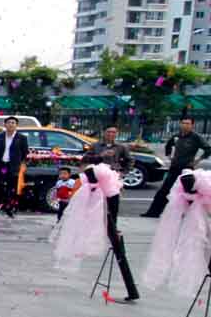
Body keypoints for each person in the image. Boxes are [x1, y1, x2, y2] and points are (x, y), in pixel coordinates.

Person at [81, 126, 140, 301]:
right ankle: (99, 224)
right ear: (104, 133)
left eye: (114, 133)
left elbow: (130, 160)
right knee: (97, 206)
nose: (111, 135)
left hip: (113, 179)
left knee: (113, 205)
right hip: (99, 178)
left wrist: (123, 172)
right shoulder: (96, 146)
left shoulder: (121, 147)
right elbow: (85, 159)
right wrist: (100, 156)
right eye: (108, 132)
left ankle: (112, 225)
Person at [143, 116, 211, 218]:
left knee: (189, 193)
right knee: (164, 191)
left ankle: (196, 215)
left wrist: (198, 160)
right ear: (180, 124)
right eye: (183, 123)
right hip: (174, 168)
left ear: (192, 125)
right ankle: (153, 213)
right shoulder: (176, 136)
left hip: (187, 169)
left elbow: (208, 149)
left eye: (187, 123)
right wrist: (169, 156)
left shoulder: (196, 137)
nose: (185, 125)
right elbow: (168, 146)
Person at [0, 116, 30, 217]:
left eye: (13, 123)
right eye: (9, 122)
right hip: (1, 165)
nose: (11, 124)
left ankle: (9, 209)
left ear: (16, 125)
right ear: (5, 125)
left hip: (12, 166)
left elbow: (25, 152)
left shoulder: (22, 138)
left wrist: (17, 162)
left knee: (11, 189)